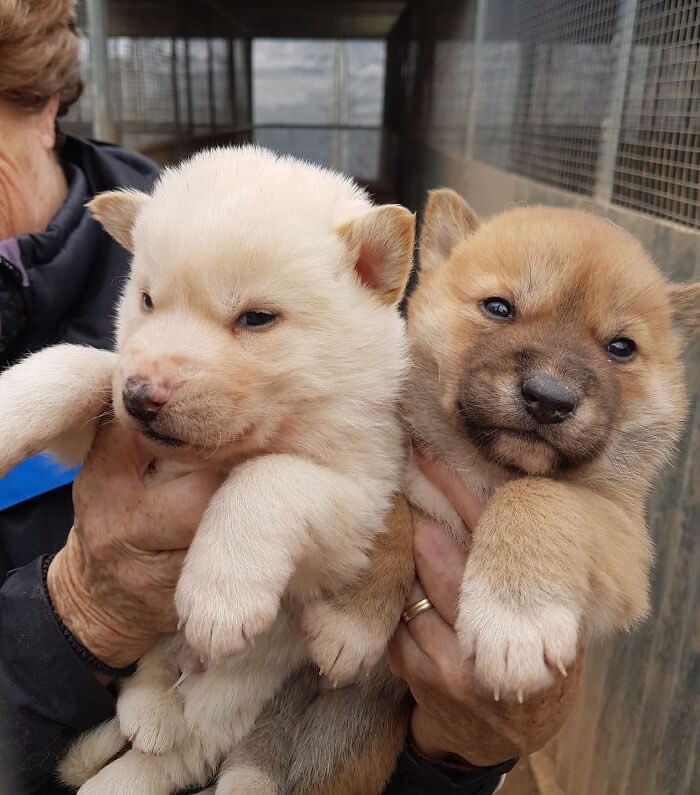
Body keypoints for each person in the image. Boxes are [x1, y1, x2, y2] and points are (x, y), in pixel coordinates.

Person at [0, 2, 579, 793]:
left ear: (40, 107)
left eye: (255, 320)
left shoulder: (267, 256)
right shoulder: (175, 224)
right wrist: (78, 611)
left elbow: (359, 531)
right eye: (148, 300)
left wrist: (457, 753)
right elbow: (107, 394)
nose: (149, 376)